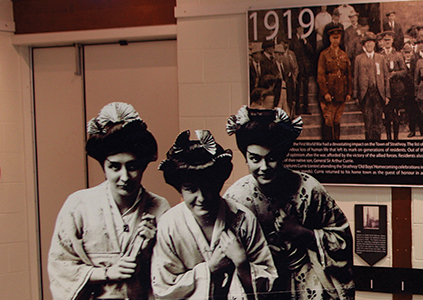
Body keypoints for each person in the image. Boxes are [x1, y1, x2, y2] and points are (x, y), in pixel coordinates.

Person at [224, 106, 355, 300]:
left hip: (309, 284)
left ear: (283, 155)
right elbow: (226, 252)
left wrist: (301, 233)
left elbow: (343, 241)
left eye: (272, 158)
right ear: (245, 157)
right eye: (255, 159)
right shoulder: (237, 198)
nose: (264, 167)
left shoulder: (309, 188)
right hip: (262, 288)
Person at [49, 102, 170, 300]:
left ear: (143, 166)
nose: (124, 177)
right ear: (103, 166)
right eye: (115, 167)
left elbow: (169, 273)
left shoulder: (159, 207)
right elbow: (61, 267)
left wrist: (147, 251)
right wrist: (106, 273)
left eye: (132, 166)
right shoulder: (78, 205)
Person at [151, 130, 277, 300]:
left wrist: (241, 263)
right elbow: (163, 289)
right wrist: (209, 269)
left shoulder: (243, 218)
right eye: (191, 189)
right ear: (179, 188)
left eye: (208, 186)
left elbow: (270, 283)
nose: (201, 198)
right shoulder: (169, 224)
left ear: (219, 182)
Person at [353, 33, 390, 140]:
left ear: (375, 44)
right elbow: (355, 77)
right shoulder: (359, 59)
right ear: (364, 45)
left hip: (378, 93)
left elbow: (385, 78)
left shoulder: (380, 58)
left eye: (371, 42)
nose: (369, 45)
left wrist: (387, 95)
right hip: (366, 94)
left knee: (378, 120)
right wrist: (356, 95)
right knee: (368, 120)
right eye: (367, 43)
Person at [317, 23, 351, 140]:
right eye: (333, 38)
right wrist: (325, 92)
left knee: (337, 120)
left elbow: (348, 74)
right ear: (329, 38)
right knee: (328, 120)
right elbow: (320, 75)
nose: (336, 41)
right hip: (329, 92)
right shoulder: (324, 55)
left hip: (341, 92)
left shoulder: (344, 55)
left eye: (338, 38)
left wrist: (349, 92)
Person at [380, 31, 410, 140]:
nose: (387, 42)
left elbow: (404, 71)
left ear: (392, 41)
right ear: (382, 42)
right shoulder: (380, 55)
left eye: (389, 40)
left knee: (396, 115)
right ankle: (388, 138)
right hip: (385, 90)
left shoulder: (397, 55)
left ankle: (396, 138)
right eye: (385, 40)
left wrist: (395, 74)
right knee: (387, 115)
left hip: (396, 89)